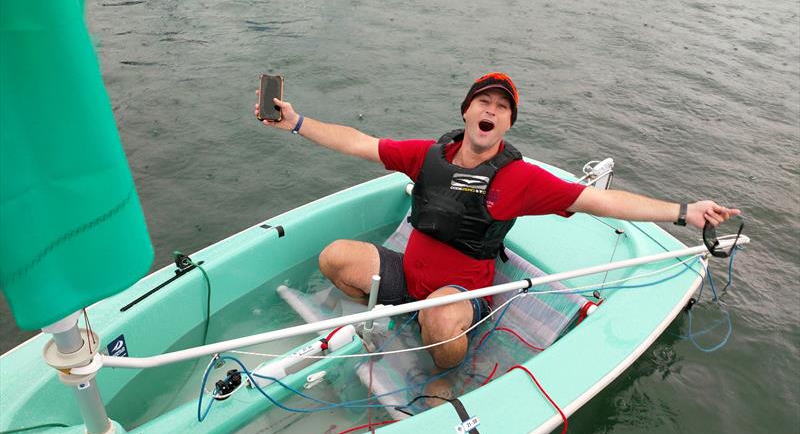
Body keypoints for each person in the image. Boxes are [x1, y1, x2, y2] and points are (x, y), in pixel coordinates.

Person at [254, 73, 740, 368]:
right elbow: (359, 142)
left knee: (441, 318)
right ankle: (397, 317)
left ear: (507, 124)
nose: (491, 109)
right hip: (408, 277)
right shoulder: (428, 155)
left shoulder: (520, 178)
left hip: (460, 295)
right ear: (466, 112)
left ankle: (444, 372)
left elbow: (600, 202)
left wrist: (682, 212)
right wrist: (297, 122)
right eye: (483, 102)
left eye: (502, 107)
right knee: (335, 257)